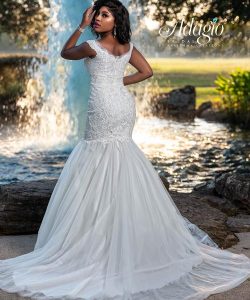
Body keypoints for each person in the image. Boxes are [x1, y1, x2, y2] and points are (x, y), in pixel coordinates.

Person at [0, 1, 250, 299]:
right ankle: (121, 231)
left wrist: (80, 25)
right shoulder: (127, 47)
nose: (97, 19)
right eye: (96, 15)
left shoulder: (91, 46)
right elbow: (147, 72)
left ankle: (96, 234)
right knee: (120, 155)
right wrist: (120, 81)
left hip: (105, 106)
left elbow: (65, 52)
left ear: (116, 19)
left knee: (97, 155)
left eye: (103, 15)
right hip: (121, 104)